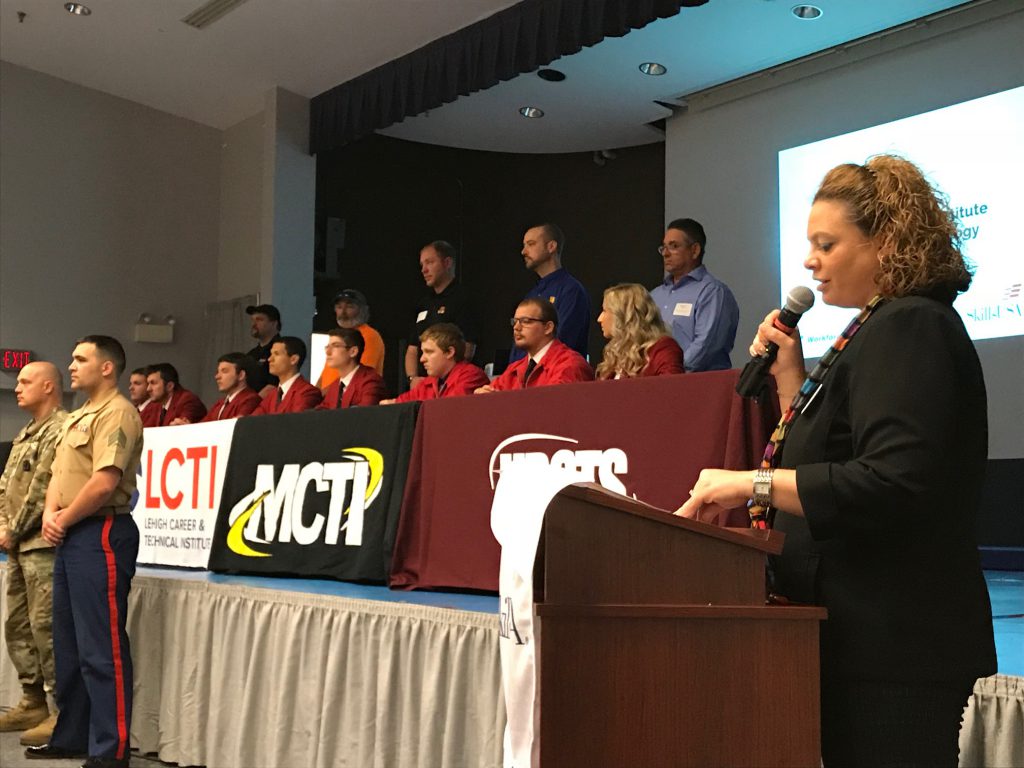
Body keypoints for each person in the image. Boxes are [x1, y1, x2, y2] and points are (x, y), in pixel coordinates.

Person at [676, 155, 996, 767]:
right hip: (863, 639)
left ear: (887, 243)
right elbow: (831, 453)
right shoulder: (875, 327)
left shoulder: (911, 324)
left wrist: (749, 484)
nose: (809, 261)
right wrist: (790, 376)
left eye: (826, 244)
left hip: (894, 645)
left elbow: (892, 482)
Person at [28, 335, 143, 768]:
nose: (71, 366)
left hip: (101, 531)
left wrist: (63, 519)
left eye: (81, 359)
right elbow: (59, 476)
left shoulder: (118, 412)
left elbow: (104, 483)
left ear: (107, 367)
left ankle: (110, 749)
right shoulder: (79, 415)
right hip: (73, 532)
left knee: (101, 647)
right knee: (69, 646)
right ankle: (74, 734)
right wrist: (50, 513)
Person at [0, 362, 68, 747]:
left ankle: (62, 709)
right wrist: (3, 527)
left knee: (47, 628)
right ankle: (32, 700)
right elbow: (5, 486)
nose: (17, 388)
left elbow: (44, 488)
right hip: (17, 544)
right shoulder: (26, 431)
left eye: (26, 382)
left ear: (48, 387)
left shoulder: (61, 429)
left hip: (42, 544)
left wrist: (13, 529)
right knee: (18, 625)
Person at [650, 218, 739, 372]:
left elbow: (705, 347)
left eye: (674, 246)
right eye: (663, 247)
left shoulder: (712, 292)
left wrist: (672, 372)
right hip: (657, 381)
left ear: (695, 250)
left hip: (697, 382)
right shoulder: (654, 295)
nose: (665, 253)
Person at [509, 223, 591, 363]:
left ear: (551, 247)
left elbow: (564, 341)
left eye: (531, 244)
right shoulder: (532, 294)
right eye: (524, 245)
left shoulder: (571, 290)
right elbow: (519, 344)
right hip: (524, 373)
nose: (523, 251)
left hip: (557, 372)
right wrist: (513, 371)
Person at [404, 240, 478, 389]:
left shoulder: (464, 299)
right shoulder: (423, 303)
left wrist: (441, 379)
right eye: (422, 265)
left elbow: (468, 349)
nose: (424, 270)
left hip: (452, 384)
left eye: (429, 262)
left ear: (447, 263)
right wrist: (412, 379)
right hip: (423, 386)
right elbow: (412, 349)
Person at [478, 298, 593, 393]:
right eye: (515, 321)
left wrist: (502, 403)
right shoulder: (513, 369)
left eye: (526, 321)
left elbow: (553, 408)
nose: (516, 327)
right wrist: (484, 398)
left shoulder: (570, 365)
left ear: (548, 327)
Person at [595, 283, 685, 379]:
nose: (599, 319)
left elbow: (671, 386)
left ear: (624, 315)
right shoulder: (614, 355)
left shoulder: (663, 349)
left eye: (604, 311)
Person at [384, 323, 488, 403]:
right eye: (422, 352)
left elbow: (447, 410)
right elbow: (400, 404)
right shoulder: (428, 382)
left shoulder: (472, 376)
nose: (422, 359)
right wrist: (390, 404)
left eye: (429, 352)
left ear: (449, 352)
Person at [317, 289, 385, 391]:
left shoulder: (369, 336)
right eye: (339, 307)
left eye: (350, 307)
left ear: (362, 310)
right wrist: (313, 396)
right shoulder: (339, 336)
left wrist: (324, 396)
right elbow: (325, 375)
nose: (343, 313)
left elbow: (356, 376)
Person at [315, 327, 386, 409]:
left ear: (353, 352)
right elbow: (321, 411)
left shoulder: (370, 382)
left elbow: (364, 415)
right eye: (327, 347)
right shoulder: (335, 386)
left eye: (336, 346)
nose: (328, 352)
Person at [252, 337, 323, 415]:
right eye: (271, 354)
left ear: (294, 359)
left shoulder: (308, 392)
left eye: (276, 354)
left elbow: (296, 421)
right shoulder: (272, 395)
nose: (269, 359)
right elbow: (252, 419)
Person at [200, 353, 262, 421]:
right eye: (217, 372)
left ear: (241, 375)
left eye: (224, 371)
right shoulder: (220, 404)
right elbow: (202, 425)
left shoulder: (251, 400)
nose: (217, 377)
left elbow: (237, 424)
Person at [141, 363, 207, 426]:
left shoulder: (188, 400)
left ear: (169, 386)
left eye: (153, 383)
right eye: (148, 383)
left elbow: (181, 427)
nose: (148, 389)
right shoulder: (155, 405)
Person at [245, 304, 283, 398]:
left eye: (259, 320)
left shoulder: (283, 351)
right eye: (252, 320)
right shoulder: (251, 354)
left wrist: (250, 403)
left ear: (274, 323)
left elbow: (273, 386)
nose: (254, 324)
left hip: (269, 404)